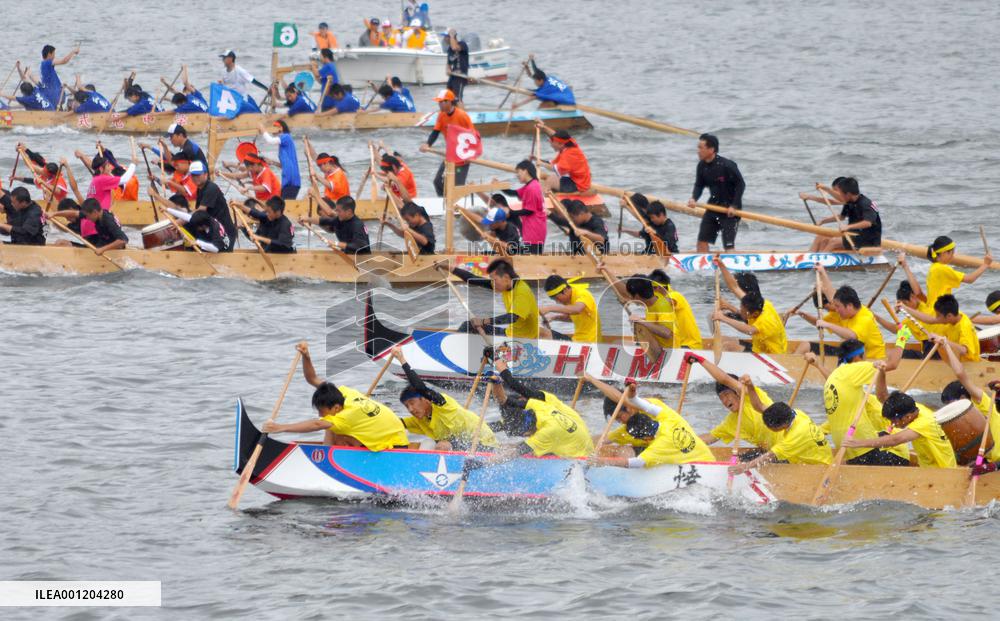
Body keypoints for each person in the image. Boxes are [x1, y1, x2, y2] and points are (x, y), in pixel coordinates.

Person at [811, 339, 911, 465]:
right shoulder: (855, 368)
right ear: (859, 356)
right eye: (865, 355)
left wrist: (818, 365)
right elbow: (891, 364)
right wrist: (901, 340)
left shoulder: (836, 375)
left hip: (842, 442)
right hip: (860, 439)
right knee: (902, 460)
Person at [585, 375, 715, 467]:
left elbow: (636, 463)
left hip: (694, 462)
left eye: (619, 417)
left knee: (633, 459)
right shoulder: (666, 417)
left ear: (629, 409)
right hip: (672, 453)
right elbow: (605, 438)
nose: (619, 422)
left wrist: (590, 378)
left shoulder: (660, 442)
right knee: (624, 450)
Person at [842, 370, 957, 468]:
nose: (893, 424)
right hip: (928, 468)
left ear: (907, 417)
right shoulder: (913, 408)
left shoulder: (923, 423)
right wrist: (882, 372)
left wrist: (858, 443)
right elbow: (883, 397)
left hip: (942, 471)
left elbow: (895, 440)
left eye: (894, 420)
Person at [390, 346, 497, 450]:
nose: (410, 409)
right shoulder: (420, 419)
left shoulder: (442, 404)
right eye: (407, 406)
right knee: (426, 444)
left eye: (412, 402)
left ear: (425, 399)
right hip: (462, 446)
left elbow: (420, 388)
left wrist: (401, 359)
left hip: (484, 445)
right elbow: (393, 423)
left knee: (442, 445)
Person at [488, 357, 593, 459]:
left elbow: (512, 455)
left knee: (522, 449)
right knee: (517, 443)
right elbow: (503, 400)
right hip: (575, 437)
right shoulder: (540, 406)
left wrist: (482, 464)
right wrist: (495, 381)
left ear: (526, 433)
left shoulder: (546, 433)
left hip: (580, 457)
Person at [268, 376, 408, 451]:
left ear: (335, 407)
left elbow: (317, 424)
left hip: (396, 448)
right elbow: (312, 379)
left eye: (322, 412)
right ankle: (325, 455)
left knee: (332, 427)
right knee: (331, 426)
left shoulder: (346, 417)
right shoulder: (345, 393)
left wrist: (281, 428)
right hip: (391, 432)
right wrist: (305, 355)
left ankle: (326, 457)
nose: (320, 415)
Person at [686, 354, 778, 455]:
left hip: (789, 444)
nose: (725, 401)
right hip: (771, 452)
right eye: (721, 398)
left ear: (737, 392)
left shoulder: (750, 395)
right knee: (742, 458)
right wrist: (684, 444)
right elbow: (710, 437)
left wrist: (701, 360)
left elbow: (725, 379)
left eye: (726, 395)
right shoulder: (731, 422)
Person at [792, 265, 884, 358]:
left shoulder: (865, 318)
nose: (835, 309)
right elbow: (831, 298)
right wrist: (822, 272)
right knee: (806, 346)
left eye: (837, 306)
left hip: (870, 360)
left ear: (849, 306)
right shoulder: (844, 312)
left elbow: (852, 336)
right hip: (851, 355)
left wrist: (828, 325)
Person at [938, 338, 1000, 468]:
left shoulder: (981, 402)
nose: (951, 409)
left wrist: (946, 345)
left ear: (962, 398)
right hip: (989, 461)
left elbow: (960, 374)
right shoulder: (961, 418)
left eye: (951, 404)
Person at [727, 402, 832, 475]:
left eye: (770, 427)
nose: (768, 428)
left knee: (763, 460)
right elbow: (761, 407)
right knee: (755, 454)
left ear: (782, 425)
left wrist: (745, 467)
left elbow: (770, 456)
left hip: (817, 467)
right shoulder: (796, 413)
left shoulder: (795, 435)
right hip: (804, 456)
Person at [445, 258, 539, 338]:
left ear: (506, 277)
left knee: (469, 326)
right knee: (470, 326)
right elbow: (472, 279)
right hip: (510, 333)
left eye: (494, 280)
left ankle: (448, 350)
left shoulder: (522, 292)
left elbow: (511, 318)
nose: (493, 284)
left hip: (521, 341)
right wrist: (447, 267)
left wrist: (483, 321)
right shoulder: (507, 284)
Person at [712, 258, 787, 354]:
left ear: (754, 314)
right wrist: (721, 265)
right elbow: (734, 287)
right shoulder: (759, 303)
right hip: (758, 345)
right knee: (721, 340)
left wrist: (723, 318)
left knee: (728, 346)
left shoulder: (765, 322)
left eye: (743, 311)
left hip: (772, 356)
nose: (740, 311)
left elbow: (748, 330)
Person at [688, 133, 745, 252]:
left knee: (728, 246)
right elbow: (699, 185)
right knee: (701, 242)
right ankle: (703, 268)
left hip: (730, 210)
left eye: (700, 148)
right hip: (713, 207)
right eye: (698, 148)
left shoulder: (727, 165)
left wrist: (734, 206)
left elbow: (741, 184)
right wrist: (694, 198)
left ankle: (731, 267)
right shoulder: (702, 166)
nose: (698, 151)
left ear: (711, 149)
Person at [419, 89, 475, 196]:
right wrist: (428, 144)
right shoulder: (441, 115)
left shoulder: (462, 116)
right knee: (437, 182)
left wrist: (470, 153)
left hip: (463, 157)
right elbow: (435, 132)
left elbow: (473, 136)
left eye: (441, 102)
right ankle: (446, 205)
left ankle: (456, 208)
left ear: (449, 102)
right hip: (450, 156)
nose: (439, 104)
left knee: (457, 188)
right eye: (438, 102)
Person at [805, 177, 882, 252]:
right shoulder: (850, 202)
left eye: (840, 194)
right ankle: (810, 258)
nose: (839, 197)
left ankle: (821, 262)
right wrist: (823, 221)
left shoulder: (865, 204)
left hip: (869, 240)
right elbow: (841, 217)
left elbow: (867, 223)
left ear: (848, 194)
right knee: (821, 237)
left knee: (833, 242)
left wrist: (848, 226)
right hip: (854, 235)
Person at [902, 295, 980, 361]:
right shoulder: (954, 315)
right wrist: (905, 308)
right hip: (954, 360)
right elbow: (929, 320)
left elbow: (964, 350)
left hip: (968, 364)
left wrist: (943, 340)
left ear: (949, 316)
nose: (936, 318)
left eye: (938, 316)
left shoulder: (964, 327)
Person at [924, 235, 992, 309]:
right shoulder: (942, 269)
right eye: (952, 253)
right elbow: (969, 279)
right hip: (938, 311)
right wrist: (985, 264)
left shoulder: (933, 267)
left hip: (933, 308)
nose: (953, 257)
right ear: (944, 253)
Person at [499, 161, 546, 253]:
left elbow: (529, 211)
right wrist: (499, 185)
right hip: (532, 228)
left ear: (525, 171)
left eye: (518, 172)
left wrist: (510, 212)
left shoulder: (532, 188)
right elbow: (513, 193)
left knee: (532, 259)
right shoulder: (530, 185)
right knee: (531, 257)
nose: (517, 175)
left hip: (534, 229)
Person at [648, 269, 702, 349]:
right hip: (673, 346)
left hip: (689, 346)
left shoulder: (675, 296)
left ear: (657, 288)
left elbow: (665, 303)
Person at [538, 275, 601, 342]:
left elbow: (577, 309)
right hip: (577, 340)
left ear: (565, 290)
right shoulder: (569, 297)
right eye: (553, 299)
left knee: (543, 333)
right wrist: (554, 317)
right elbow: (574, 317)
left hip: (589, 343)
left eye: (557, 298)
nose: (557, 302)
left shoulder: (583, 294)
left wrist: (549, 308)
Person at [191, 161, 236, 251]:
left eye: (198, 175)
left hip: (224, 232)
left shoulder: (211, 188)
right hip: (213, 230)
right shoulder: (200, 189)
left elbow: (200, 211)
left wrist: (181, 220)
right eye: (193, 175)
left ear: (206, 174)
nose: (196, 178)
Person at [535, 122, 591, 194]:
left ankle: (545, 198)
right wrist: (543, 127)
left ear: (561, 144)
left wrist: (541, 164)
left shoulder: (568, 155)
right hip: (577, 180)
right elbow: (554, 134)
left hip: (579, 185)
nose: (551, 145)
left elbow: (554, 168)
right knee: (545, 179)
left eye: (552, 143)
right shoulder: (571, 143)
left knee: (551, 179)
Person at [305, 196, 371, 254]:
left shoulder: (358, 225)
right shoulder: (340, 219)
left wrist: (336, 244)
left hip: (361, 259)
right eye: (336, 210)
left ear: (349, 212)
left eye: (339, 211)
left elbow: (362, 247)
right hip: (347, 254)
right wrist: (307, 219)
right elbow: (324, 221)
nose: (337, 213)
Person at [258, 121, 301, 199]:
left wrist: (262, 128)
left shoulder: (286, 137)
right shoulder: (283, 145)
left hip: (291, 181)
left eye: (275, 127)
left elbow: (270, 140)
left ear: (281, 128)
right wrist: (272, 162)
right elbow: (283, 165)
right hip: (288, 181)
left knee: (284, 207)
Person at [164, 206, 228, 252]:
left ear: (203, 226)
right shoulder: (205, 219)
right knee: (189, 226)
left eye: (198, 226)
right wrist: (167, 210)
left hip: (221, 251)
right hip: (211, 241)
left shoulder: (215, 229)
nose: (197, 227)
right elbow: (186, 217)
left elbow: (216, 249)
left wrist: (198, 243)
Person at [38, 43, 80, 108]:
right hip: (53, 97)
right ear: (49, 54)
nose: (54, 56)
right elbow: (64, 61)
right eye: (54, 54)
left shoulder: (43, 64)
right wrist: (73, 52)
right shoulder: (47, 62)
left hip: (51, 95)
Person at [443, 29, 469, 102]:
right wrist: (448, 68)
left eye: (446, 37)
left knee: (458, 99)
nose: (444, 39)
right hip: (453, 76)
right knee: (448, 97)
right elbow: (449, 61)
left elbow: (455, 48)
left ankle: (462, 113)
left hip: (461, 76)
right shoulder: (449, 50)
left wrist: (452, 35)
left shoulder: (462, 44)